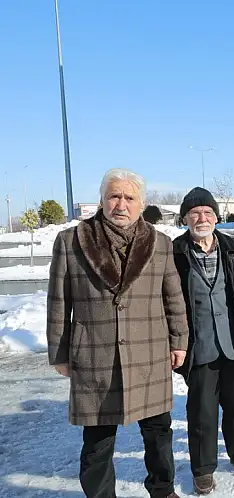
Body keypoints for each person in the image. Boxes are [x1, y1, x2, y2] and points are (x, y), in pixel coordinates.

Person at [46, 168, 188, 498]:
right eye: (114, 195)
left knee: (158, 434)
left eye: (129, 197)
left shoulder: (160, 244)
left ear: (141, 204)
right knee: (97, 442)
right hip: (95, 357)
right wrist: (60, 351)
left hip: (149, 354)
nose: (120, 204)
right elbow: (58, 302)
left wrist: (179, 340)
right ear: (102, 200)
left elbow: (173, 298)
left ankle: (162, 489)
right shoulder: (71, 242)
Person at [171, 187, 234, 494]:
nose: (202, 218)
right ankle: (203, 468)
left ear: (216, 216)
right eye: (195, 213)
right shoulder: (174, 252)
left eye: (208, 213)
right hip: (198, 345)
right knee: (202, 411)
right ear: (186, 218)